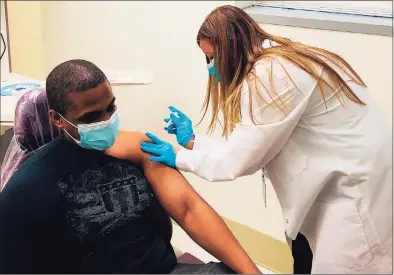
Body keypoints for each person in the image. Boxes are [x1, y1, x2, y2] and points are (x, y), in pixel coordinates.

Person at [132, 5, 392, 274]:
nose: (210, 68)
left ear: (230, 48)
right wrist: (192, 142)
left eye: (212, 58)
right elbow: (250, 142)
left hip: (351, 200)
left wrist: (179, 156)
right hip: (344, 183)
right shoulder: (279, 60)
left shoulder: (271, 76)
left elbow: (239, 160)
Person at [0, 59, 261, 274]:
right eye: (91, 117)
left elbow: (189, 209)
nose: (107, 120)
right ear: (57, 119)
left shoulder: (137, 149)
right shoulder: (26, 189)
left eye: (110, 108)